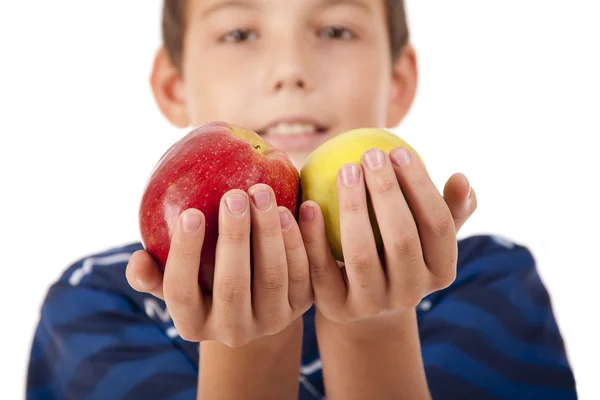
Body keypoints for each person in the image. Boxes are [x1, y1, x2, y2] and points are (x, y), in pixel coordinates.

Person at [25, 1, 577, 399]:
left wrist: (375, 329)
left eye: (336, 29)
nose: (291, 71)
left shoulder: (489, 282)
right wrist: (246, 345)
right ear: (173, 85)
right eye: (239, 34)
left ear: (400, 80)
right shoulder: (99, 304)